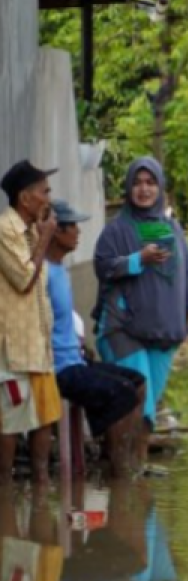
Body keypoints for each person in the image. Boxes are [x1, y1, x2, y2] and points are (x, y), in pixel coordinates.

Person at [93, 157, 188, 472]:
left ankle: (132, 472)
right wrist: (138, 259)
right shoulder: (117, 230)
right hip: (121, 328)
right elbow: (103, 266)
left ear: (160, 187)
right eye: (137, 183)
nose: (143, 189)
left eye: (150, 183)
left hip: (164, 332)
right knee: (137, 405)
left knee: (146, 413)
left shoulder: (172, 229)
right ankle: (125, 477)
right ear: (127, 187)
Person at [45, 198, 147, 479]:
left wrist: (80, 345)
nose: (78, 233)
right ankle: (117, 470)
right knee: (121, 393)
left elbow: (64, 323)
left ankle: (127, 457)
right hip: (61, 368)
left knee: (137, 382)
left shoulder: (60, 270)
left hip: (75, 359)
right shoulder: (43, 273)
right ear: (56, 231)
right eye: (73, 227)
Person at [0, 160, 63, 484]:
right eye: (44, 192)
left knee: (45, 417)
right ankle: (6, 495)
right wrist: (46, 238)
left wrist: (40, 237)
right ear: (25, 199)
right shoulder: (5, 230)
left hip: (38, 345)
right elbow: (24, 278)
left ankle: (41, 496)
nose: (49, 198)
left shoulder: (31, 231)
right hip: (12, 348)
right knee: (10, 423)